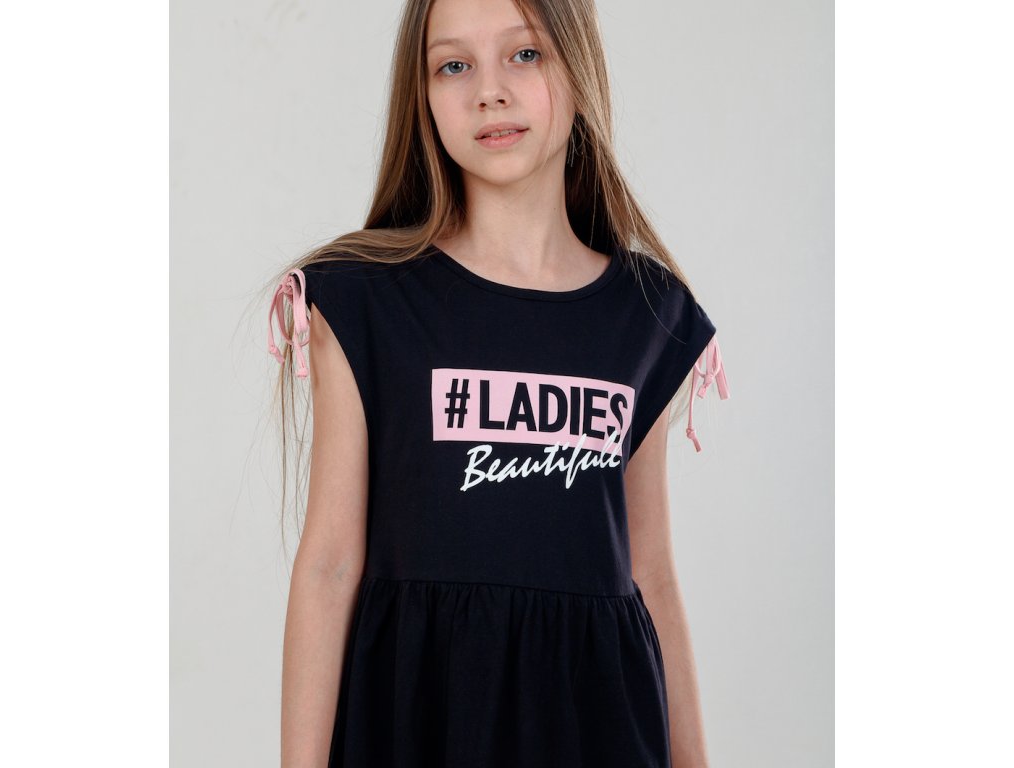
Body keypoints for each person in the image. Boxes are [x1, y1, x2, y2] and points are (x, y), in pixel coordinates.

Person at [265, 0, 730, 765]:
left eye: (525, 54)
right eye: (454, 65)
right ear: (421, 96)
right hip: (418, 725)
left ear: (579, 68)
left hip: (595, 730)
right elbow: (329, 565)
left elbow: (650, 572)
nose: (489, 91)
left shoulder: (645, 314)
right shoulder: (365, 302)